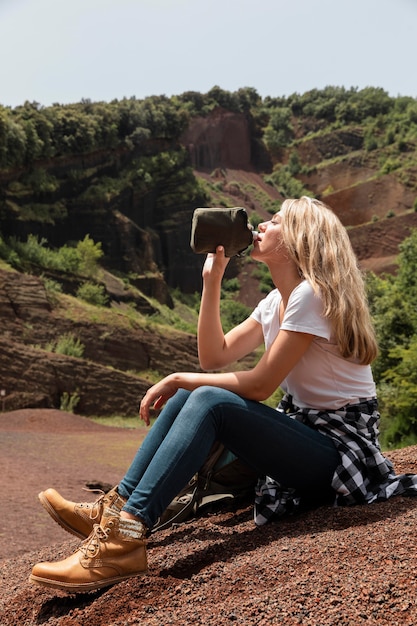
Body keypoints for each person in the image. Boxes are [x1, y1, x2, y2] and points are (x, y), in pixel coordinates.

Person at [29, 196, 417, 594]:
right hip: (307, 433)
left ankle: (123, 541)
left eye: (277, 221)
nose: (262, 225)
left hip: (340, 452)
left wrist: (181, 377)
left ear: (302, 239)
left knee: (206, 398)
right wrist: (211, 281)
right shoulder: (274, 302)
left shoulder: (311, 296)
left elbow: (260, 385)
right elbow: (213, 356)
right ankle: (112, 511)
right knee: (189, 396)